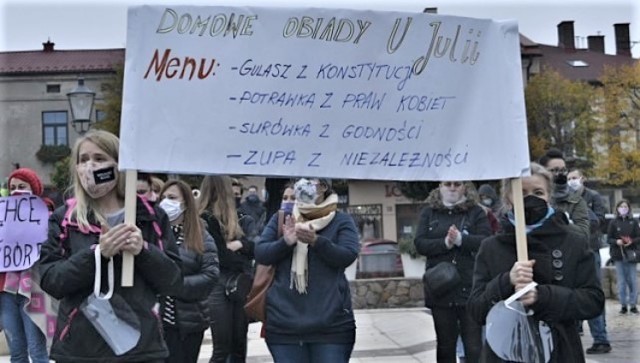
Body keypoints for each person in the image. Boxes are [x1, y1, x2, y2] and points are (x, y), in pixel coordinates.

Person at [38, 130, 183, 362]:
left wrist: (143, 251)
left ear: (119, 165)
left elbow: (174, 281)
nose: (90, 167)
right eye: (83, 160)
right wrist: (97, 255)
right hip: (81, 349)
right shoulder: (64, 219)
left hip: (140, 349)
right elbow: (52, 280)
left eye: (100, 159)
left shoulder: (150, 216)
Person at [468, 162, 604, 362]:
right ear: (508, 197)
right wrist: (506, 281)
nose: (530, 198)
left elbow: (592, 301)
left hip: (560, 351)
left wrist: (544, 296)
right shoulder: (491, 247)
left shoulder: (572, 241)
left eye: (538, 192)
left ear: (549, 196)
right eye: (522, 192)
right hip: (505, 352)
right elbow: (476, 310)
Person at [254, 178, 359, 363]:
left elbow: (347, 255)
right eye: (300, 183)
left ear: (324, 188)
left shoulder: (340, 220)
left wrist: (317, 241)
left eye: (310, 182)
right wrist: (285, 242)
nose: (304, 187)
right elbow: (261, 254)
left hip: (331, 326)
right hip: (284, 325)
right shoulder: (281, 218)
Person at [414, 181, 491, 363]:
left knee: (473, 344)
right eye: (448, 184)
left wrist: (461, 240)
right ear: (440, 187)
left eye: (457, 184)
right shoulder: (429, 212)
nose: (452, 188)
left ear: (464, 187)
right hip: (440, 287)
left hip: (469, 287)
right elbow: (420, 243)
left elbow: (486, 241)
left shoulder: (476, 212)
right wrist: (445, 243)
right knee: (445, 344)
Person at [158, 179, 220, 363]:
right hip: (156, 324)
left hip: (187, 323)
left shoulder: (201, 235)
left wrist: (177, 286)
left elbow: (211, 275)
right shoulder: (154, 234)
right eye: (163, 197)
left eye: (172, 197)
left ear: (185, 203)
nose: (165, 202)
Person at [198, 175, 255, 363]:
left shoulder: (235, 216)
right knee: (223, 348)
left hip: (236, 283)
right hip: (218, 283)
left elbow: (254, 247)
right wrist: (242, 253)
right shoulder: (205, 218)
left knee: (238, 344)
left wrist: (241, 246)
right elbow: (221, 256)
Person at [0, 168, 50, 363]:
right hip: (6, 291)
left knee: (37, 350)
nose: (16, 191)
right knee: (17, 352)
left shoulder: (45, 212)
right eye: (12, 188)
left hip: (34, 289)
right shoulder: (3, 214)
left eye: (22, 187)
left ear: (34, 189)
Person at [567, 168, 612, 354]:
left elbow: (599, 221)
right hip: (569, 250)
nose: (571, 181)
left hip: (589, 249)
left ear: (582, 179)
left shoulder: (592, 197)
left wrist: (579, 220)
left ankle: (601, 338)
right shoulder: (564, 198)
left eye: (574, 178)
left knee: (592, 293)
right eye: (569, 178)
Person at [538, 148, 590, 240]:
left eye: (563, 170)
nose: (560, 174)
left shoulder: (575, 200)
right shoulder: (535, 198)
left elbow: (583, 234)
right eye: (554, 170)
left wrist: (562, 222)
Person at [607, 199, 639, 315]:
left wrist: (632, 241)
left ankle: (633, 304)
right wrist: (617, 241)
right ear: (617, 209)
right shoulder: (613, 222)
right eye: (621, 207)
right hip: (618, 255)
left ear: (629, 208)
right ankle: (623, 305)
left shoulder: (634, 222)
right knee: (621, 282)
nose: (623, 209)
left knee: (632, 281)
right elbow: (609, 239)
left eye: (626, 207)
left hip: (631, 255)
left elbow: (638, 237)